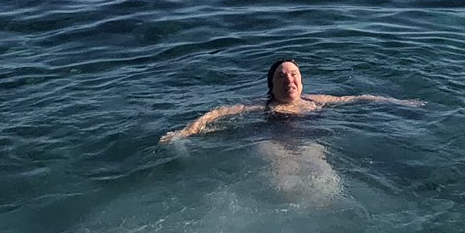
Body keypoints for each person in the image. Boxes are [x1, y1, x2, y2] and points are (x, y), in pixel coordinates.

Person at [159, 58, 422, 143]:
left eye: (294, 74)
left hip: (308, 142)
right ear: (271, 86)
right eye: (281, 76)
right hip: (272, 143)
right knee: (286, 184)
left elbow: (355, 98)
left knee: (323, 182)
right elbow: (218, 113)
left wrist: (399, 103)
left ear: (301, 81)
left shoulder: (315, 99)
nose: (289, 80)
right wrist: (186, 131)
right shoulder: (261, 106)